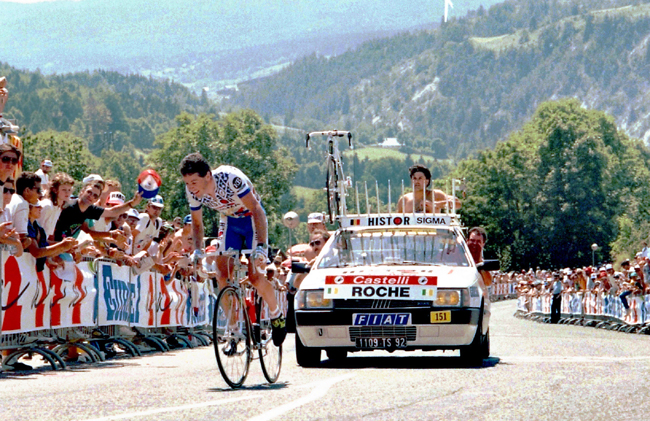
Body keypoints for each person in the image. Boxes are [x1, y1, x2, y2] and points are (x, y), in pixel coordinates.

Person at [180, 152, 286, 346]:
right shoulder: (193, 192)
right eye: (187, 183)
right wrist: (197, 250)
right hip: (229, 221)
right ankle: (234, 329)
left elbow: (256, 209)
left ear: (208, 176)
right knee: (222, 273)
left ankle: (276, 314)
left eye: (194, 182)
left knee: (254, 276)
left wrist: (261, 247)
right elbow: (197, 223)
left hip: (251, 219)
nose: (190, 188)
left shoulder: (230, 179)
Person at [54, 180, 142, 241]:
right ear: (82, 191)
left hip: (63, 248)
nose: (91, 196)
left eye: (95, 196)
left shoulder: (90, 210)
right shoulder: (67, 206)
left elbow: (113, 212)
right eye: (89, 192)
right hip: (53, 245)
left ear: (96, 200)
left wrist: (132, 203)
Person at [397, 164, 461, 213]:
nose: (416, 182)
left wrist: (436, 204)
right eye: (414, 178)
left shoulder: (435, 195)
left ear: (427, 181)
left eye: (420, 178)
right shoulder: (404, 199)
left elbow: (457, 203)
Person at [38, 172, 74, 240]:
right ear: (54, 190)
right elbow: (36, 234)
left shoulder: (58, 208)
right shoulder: (47, 206)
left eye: (69, 190)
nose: (67, 193)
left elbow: (49, 235)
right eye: (64, 190)